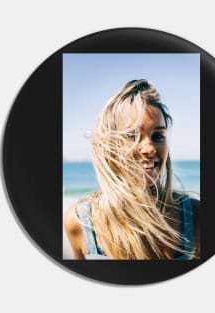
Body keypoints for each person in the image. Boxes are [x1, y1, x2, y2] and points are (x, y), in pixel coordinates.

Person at [64, 79, 200, 260]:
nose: (150, 149)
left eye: (158, 136)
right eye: (132, 136)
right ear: (108, 144)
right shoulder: (80, 221)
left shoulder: (194, 215)